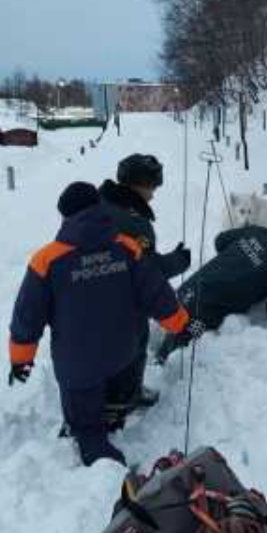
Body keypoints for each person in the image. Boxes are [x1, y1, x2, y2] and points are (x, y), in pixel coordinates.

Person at [7, 182, 192, 467]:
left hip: (78, 364)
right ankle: (115, 413)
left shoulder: (47, 260)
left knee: (85, 422)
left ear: (66, 216)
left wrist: (21, 359)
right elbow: (157, 293)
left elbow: (27, 316)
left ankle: (98, 453)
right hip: (123, 351)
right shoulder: (127, 247)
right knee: (115, 389)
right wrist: (180, 324)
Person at [98, 154, 191, 412]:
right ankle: (125, 398)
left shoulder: (101, 200)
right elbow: (147, 272)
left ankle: (103, 396)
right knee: (134, 342)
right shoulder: (135, 223)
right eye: (152, 186)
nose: (154, 193)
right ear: (138, 185)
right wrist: (178, 261)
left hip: (88, 289)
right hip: (119, 297)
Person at [154, 222, 267, 359]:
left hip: (188, 288)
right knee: (174, 353)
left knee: (164, 331)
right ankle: (154, 372)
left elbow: (220, 241)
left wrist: (244, 256)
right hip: (206, 309)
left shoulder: (258, 230)